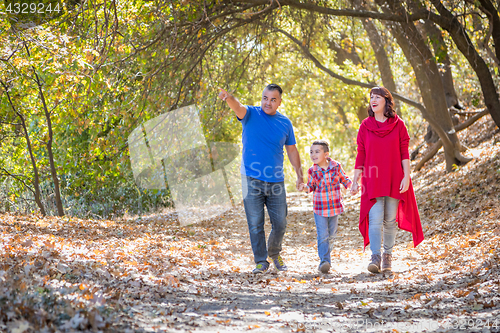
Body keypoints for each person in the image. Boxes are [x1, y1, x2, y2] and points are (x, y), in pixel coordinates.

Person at [218, 84, 304, 274]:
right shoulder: (250, 114)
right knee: (255, 223)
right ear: (261, 98)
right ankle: (260, 261)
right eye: (265, 98)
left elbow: (291, 150)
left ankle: (274, 252)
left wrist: (299, 175)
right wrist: (228, 97)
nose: (268, 102)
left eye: (273, 99)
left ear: (279, 102)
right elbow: (237, 106)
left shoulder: (285, 123)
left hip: (276, 181)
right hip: (251, 178)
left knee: (280, 222)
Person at [350, 87, 424, 274]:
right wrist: (355, 179)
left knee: (390, 221)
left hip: (394, 177)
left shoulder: (398, 124)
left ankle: (387, 256)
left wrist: (407, 176)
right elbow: (361, 154)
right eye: (371, 98)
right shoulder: (365, 126)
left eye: (377, 97)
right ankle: (375, 257)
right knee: (375, 219)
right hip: (372, 179)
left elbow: (404, 153)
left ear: (386, 101)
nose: (373, 100)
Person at [300, 140, 352, 273]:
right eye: (311, 152)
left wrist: (352, 187)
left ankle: (326, 255)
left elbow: (344, 179)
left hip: (334, 207)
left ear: (326, 154)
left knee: (332, 235)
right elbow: (310, 186)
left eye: (317, 151)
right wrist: (304, 188)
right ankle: (325, 261)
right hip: (320, 208)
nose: (313, 154)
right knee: (323, 235)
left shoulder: (336, 166)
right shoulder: (313, 170)